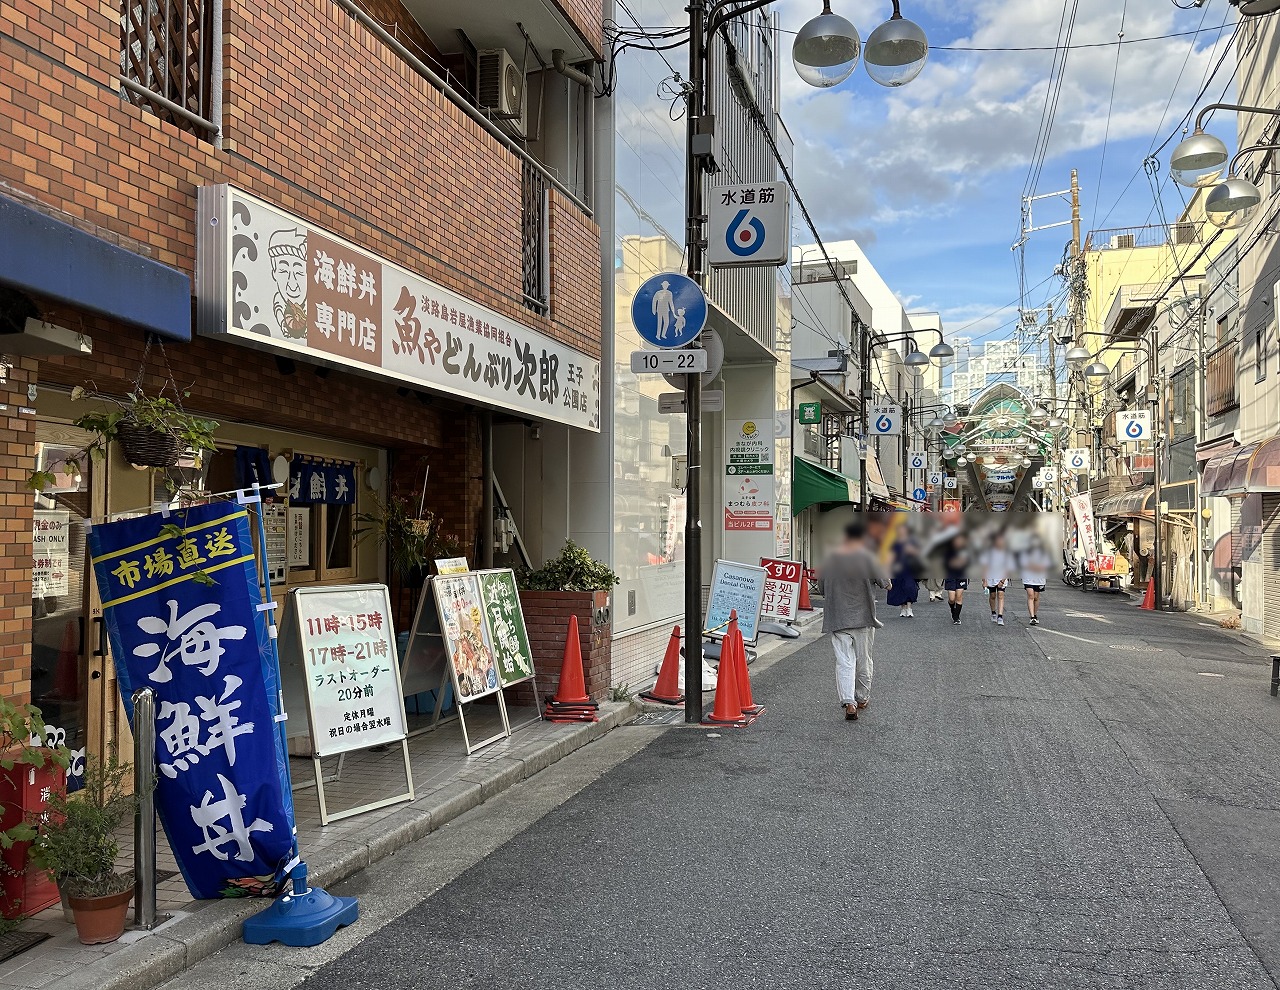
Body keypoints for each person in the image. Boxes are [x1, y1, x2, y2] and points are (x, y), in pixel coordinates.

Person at [820, 518, 890, 720]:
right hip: (864, 617)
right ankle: (861, 697)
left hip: (838, 616)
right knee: (864, 660)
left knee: (844, 661)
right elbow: (887, 584)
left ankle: (848, 702)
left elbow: (823, 588)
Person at [981, 531, 1013, 626]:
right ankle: (993, 613)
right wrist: (984, 581)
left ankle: (1000, 616)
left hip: (1001, 577)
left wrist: (1003, 580)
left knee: (1000, 595)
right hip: (990, 578)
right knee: (992, 596)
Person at [887, 533, 922, 618]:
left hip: (909, 569)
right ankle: (903, 608)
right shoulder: (894, 543)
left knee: (909, 588)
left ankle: (909, 608)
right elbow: (891, 555)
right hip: (898, 569)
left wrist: (912, 551)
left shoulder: (912, 542)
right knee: (899, 588)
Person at [1020, 536, 1052, 625]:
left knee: (1036, 597)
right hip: (1028, 577)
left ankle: (1035, 614)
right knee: (1031, 595)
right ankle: (1032, 617)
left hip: (1039, 578)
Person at [942, 532, 970, 625]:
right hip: (950, 576)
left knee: (959, 596)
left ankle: (956, 617)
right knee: (951, 598)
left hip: (961, 575)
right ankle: (953, 611)